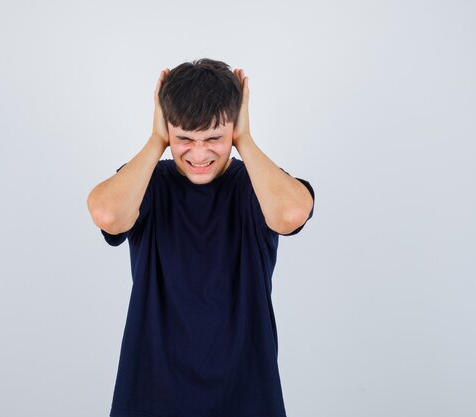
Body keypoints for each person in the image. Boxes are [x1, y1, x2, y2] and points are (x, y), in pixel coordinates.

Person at [87, 58, 315, 417]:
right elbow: (107, 215)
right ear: (167, 129)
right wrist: (154, 141)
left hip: (246, 394)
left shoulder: (255, 184)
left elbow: (290, 215)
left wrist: (246, 140)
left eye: (214, 138)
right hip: (151, 394)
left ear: (234, 128)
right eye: (183, 139)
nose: (199, 154)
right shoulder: (149, 182)